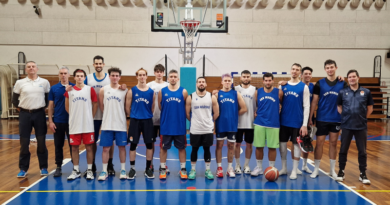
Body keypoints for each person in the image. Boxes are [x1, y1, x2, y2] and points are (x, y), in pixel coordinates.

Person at [84, 55, 126, 175]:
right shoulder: (88, 78)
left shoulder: (109, 78)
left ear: (103, 64)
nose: (98, 65)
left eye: (100, 63)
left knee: (109, 142)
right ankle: (91, 166)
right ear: (93, 65)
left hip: (108, 117)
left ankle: (110, 164)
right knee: (92, 142)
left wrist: (124, 86)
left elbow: (119, 88)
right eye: (96, 63)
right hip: (93, 115)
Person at [309, 59, 348, 179]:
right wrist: (311, 117)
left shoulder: (343, 83)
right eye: (328, 68)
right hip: (322, 118)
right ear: (325, 69)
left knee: (333, 143)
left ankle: (332, 170)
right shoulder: (319, 84)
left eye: (332, 67)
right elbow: (314, 101)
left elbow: (347, 100)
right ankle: (316, 169)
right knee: (319, 143)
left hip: (336, 118)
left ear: (336, 68)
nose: (330, 69)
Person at [13, 61, 50, 178]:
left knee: (41, 143)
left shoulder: (44, 82)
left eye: (33, 66)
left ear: (37, 69)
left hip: (39, 114)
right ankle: (23, 168)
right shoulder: (20, 83)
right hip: (25, 115)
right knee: (24, 143)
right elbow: (14, 100)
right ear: (26, 70)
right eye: (29, 67)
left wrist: (40, 109)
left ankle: (43, 167)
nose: (31, 68)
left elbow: (47, 99)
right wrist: (24, 110)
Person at [336, 69, 373, 184]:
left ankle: (363, 173)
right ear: (348, 79)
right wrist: (346, 116)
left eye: (354, 76)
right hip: (346, 126)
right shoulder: (342, 92)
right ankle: (341, 171)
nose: (352, 78)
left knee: (362, 151)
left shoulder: (366, 92)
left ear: (358, 78)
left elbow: (370, 108)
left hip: (361, 126)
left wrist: (362, 117)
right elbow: (339, 107)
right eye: (350, 77)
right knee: (343, 150)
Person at [65, 69, 98, 180]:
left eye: (81, 76)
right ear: (74, 78)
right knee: (74, 148)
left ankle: (89, 170)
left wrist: (90, 117)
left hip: (87, 125)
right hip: (74, 125)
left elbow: (95, 104)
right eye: (77, 76)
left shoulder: (90, 89)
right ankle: (76, 170)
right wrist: (74, 116)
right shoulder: (69, 90)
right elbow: (67, 106)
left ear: (84, 78)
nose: (79, 78)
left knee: (89, 147)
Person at [279, 63, 310, 180]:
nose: (294, 71)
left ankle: (294, 170)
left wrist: (304, 125)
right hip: (283, 121)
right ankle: (284, 168)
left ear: (300, 73)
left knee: (296, 146)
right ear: (290, 71)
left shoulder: (304, 87)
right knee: (282, 146)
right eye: (293, 69)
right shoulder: (283, 86)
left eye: (297, 70)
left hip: (297, 122)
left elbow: (306, 106)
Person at [185, 77, 219, 180]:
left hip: (207, 129)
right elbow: (187, 113)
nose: (201, 84)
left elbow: (216, 112)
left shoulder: (211, 96)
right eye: (199, 82)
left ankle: (208, 170)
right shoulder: (190, 97)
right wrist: (195, 122)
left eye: (203, 82)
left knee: (207, 149)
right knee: (194, 149)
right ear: (196, 84)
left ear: (206, 84)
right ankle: (193, 170)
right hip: (195, 129)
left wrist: (208, 121)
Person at [98, 67, 128, 180]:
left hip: (120, 124)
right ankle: (104, 171)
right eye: (112, 75)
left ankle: (123, 170)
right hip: (107, 124)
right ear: (109, 76)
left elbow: (126, 107)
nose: (115, 77)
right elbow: (101, 106)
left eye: (117, 75)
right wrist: (107, 116)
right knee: (105, 148)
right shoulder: (103, 90)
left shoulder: (124, 90)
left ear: (119, 77)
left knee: (122, 148)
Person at [215, 73, 247, 178]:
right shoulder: (217, 94)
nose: (227, 82)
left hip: (232, 125)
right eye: (226, 81)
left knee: (231, 146)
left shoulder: (236, 94)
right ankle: (219, 168)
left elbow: (244, 108)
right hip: (220, 125)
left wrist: (234, 115)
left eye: (229, 81)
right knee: (219, 146)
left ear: (231, 82)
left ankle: (229, 168)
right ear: (222, 82)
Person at [251, 73, 283, 176]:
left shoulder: (279, 92)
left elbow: (282, 104)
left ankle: (271, 167)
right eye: (266, 80)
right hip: (259, 123)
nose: (268, 82)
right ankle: (259, 168)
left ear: (273, 81)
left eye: (270, 80)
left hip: (273, 124)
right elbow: (256, 105)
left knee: (272, 147)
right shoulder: (257, 92)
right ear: (263, 81)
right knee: (259, 147)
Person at [126, 68, 155, 179]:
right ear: (137, 76)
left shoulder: (151, 92)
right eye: (140, 75)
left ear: (147, 77)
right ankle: (132, 168)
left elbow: (152, 108)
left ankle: (147, 169)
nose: (142, 77)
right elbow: (127, 107)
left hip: (147, 120)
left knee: (149, 145)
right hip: (135, 120)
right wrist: (134, 116)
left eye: (144, 75)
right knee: (133, 145)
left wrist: (145, 115)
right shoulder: (132, 91)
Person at [158, 70, 188, 179]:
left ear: (178, 78)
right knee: (163, 148)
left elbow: (186, 107)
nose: (173, 78)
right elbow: (161, 106)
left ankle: (183, 169)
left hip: (179, 126)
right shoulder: (162, 91)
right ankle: (162, 169)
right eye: (171, 76)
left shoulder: (183, 91)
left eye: (175, 76)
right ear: (168, 78)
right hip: (166, 126)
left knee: (181, 148)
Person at [48, 66, 75, 177]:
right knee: (58, 145)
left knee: (73, 145)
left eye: (65, 73)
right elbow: (50, 106)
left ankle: (75, 167)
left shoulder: (75, 87)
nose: (63, 75)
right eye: (61, 73)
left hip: (72, 121)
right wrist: (50, 121)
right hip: (58, 121)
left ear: (69, 75)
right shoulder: (54, 88)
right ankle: (58, 166)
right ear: (58, 75)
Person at [146, 64, 169, 173]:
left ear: (163, 73)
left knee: (163, 144)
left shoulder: (168, 85)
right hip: (151, 119)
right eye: (157, 71)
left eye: (161, 71)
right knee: (151, 144)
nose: (159, 73)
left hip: (164, 120)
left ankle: (163, 165)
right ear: (154, 73)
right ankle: (150, 164)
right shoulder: (149, 85)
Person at [234, 70, 256, 174]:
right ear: (240, 78)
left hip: (250, 122)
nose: (246, 78)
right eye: (244, 76)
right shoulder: (235, 89)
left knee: (249, 145)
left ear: (251, 78)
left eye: (248, 76)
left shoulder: (255, 90)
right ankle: (237, 165)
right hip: (237, 123)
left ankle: (246, 165)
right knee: (237, 144)